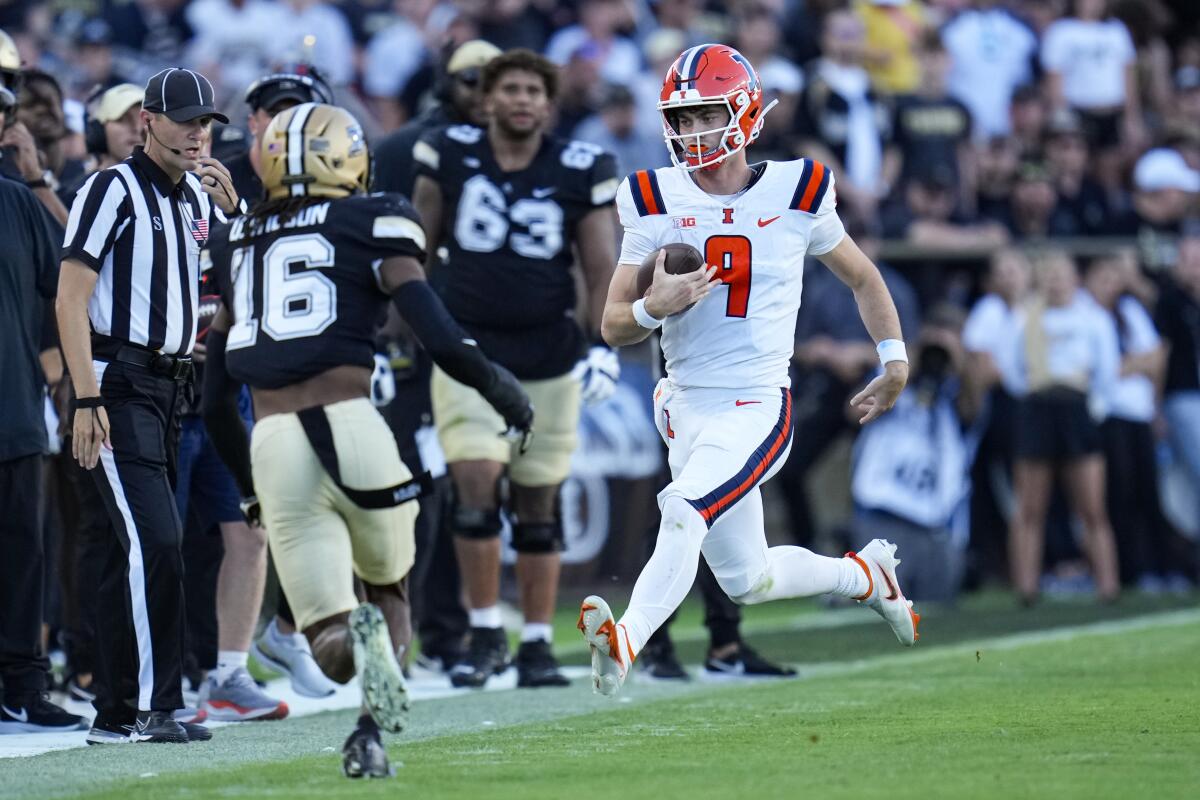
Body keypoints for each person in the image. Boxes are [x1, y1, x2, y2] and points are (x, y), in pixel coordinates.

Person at [201, 102, 532, 778]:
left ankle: (354, 639)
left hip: (271, 441)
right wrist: (502, 389)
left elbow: (212, 403)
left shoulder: (238, 238)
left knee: (326, 630)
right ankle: (368, 735)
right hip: (352, 422)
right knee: (388, 590)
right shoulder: (374, 217)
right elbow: (436, 332)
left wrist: (249, 490)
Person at [580, 44, 919, 698]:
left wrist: (894, 359)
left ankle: (626, 640)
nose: (689, 131)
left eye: (704, 113)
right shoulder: (651, 196)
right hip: (682, 402)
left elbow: (862, 277)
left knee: (683, 510)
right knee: (748, 578)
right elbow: (612, 322)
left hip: (757, 402)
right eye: (679, 118)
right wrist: (656, 304)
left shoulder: (799, 190)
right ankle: (867, 577)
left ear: (743, 110)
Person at [411, 49, 621, 689]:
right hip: (469, 353)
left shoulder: (579, 166)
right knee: (475, 481)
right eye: (511, 89)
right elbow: (415, 248)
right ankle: (482, 633)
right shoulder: (447, 152)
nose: (523, 99)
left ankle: (533, 642)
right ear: (489, 99)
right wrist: (414, 334)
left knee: (538, 501)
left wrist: (604, 342)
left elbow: (597, 261)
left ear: (548, 103)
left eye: (534, 90)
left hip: (548, 355)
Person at [55, 66, 241, 745]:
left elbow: (233, 288)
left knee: (118, 547)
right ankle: (153, 705)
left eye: (205, 122)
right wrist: (86, 396)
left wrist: (233, 216)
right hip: (118, 379)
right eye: (184, 119)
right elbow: (71, 296)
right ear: (147, 122)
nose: (197, 133)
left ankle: (114, 710)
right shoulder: (110, 188)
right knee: (153, 540)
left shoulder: (197, 195)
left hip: (171, 385)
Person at [0, 118, 86, 734]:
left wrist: (35, 178)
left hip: (13, 408)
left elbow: (72, 279)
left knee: (24, 555)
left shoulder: (14, 201)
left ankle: (24, 683)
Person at [1007, 251, 1121, 604]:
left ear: (1075, 279)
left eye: (1062, 274)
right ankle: (1026, 588)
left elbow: (1108, 370)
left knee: (1091, 507)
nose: (1055, 281)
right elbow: (1012, 369)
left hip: (1076, 409)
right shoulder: (1025, 318)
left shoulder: (1093, 319)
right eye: (1048, 274)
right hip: (1038, 409)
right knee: (1029, 506)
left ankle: (1108, 586)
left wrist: (1093, 412)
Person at [850, 304, 984, 604]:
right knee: (878, 607)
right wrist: (903, 368)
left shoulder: (960, 391)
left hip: (937, 525)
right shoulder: (893, 379)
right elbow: (854, 412)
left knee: (935, 613)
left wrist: (957, 363)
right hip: (882, 512)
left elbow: (973, 411)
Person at [374, 39, 500, 197]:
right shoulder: (401, 147)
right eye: (471, 82)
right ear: (448, 84)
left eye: (493, 84)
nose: (483, 94)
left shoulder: (518, 146)